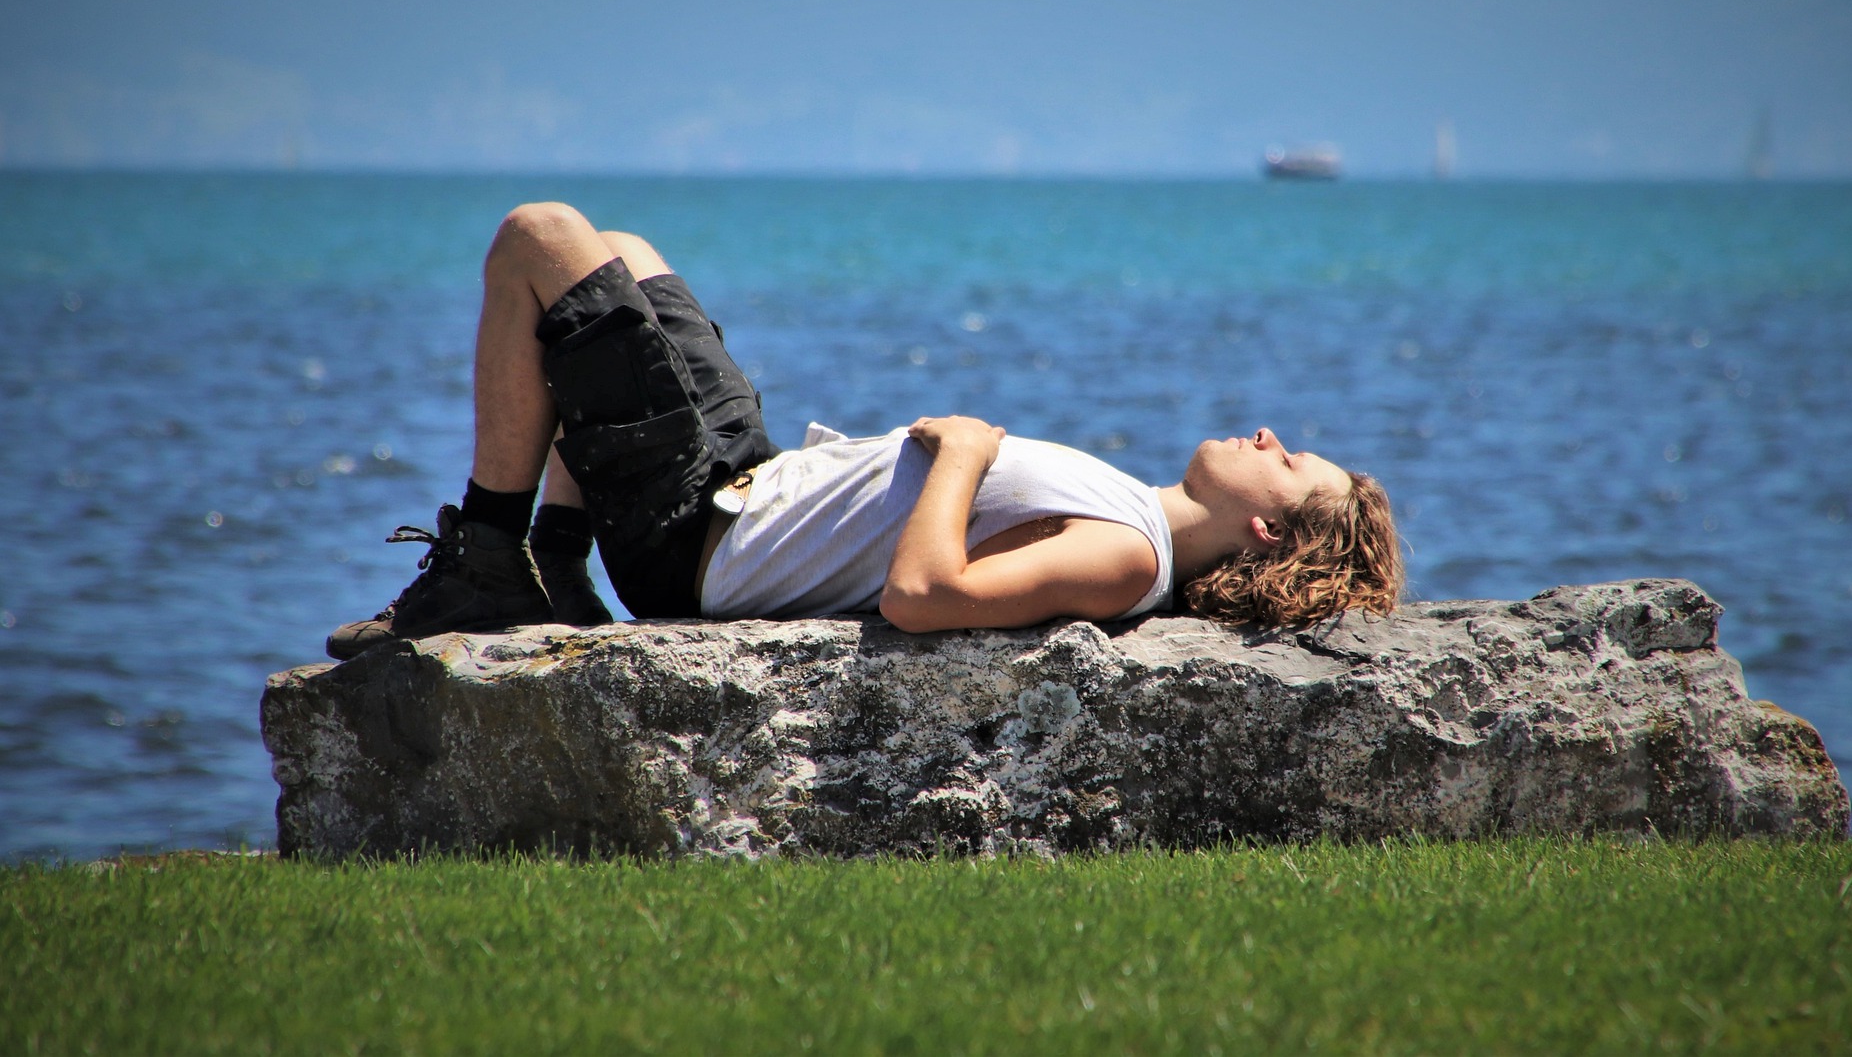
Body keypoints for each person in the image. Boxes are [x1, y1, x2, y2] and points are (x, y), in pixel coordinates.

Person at [326, 203, 1403, 659]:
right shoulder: (1138, 518)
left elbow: (923, 596)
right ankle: (553, 569)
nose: (1270, 434)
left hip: (696, 545)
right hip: (749, 483)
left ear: (1265, 530)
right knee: (622, 247)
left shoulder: (1131, 556)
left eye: (1290, 460)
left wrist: (967, 456)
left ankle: (485, 564)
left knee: (540, 238)